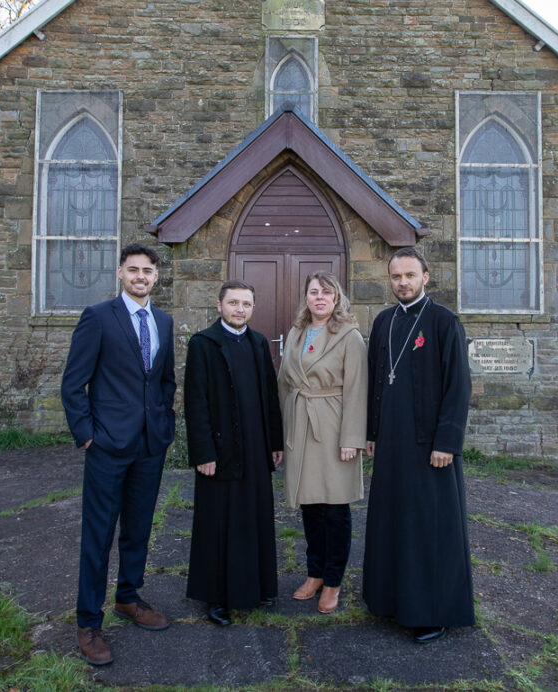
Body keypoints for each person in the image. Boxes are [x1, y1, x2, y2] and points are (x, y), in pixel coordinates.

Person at [60, 243, 176, 666]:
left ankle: (129, 596)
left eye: (147, 270)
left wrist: (164, 426)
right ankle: (88, 622)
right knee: (98, 535)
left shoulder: (163, 320)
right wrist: (88, 436)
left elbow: (164, 381)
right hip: (107, 446)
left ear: (156, 277)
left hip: (149, 446)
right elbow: (73, 383)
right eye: (133, 270)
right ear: (120, 274)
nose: (141, 276)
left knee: (139, 528)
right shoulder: (98, 318)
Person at [363, 247, 474, 643]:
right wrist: (372, 432)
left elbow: (458, 386)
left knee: (428, 528)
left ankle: (431, 611)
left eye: (410, 275)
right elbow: (377, 381)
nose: (403, 283)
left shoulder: (445, 322)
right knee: (394, 522)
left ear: (426, 277)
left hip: (430, 447)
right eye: (396, 277)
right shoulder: (383, 322)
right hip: (391, 444)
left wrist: (447, 441)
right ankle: (391, 600)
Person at [183, 280, 284, 626]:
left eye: (246, 304)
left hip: (255, 448)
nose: (239, 309)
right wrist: (202, 452)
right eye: (233, 303)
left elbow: (270, 397)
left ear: (252, 308)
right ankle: (217, 596)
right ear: (219, 305)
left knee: (254, 517)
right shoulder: (203, 344)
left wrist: (275, 443)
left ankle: (257, 587)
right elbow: (194, 403)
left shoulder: (257, 343)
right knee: (218, 523)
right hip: (219, 450)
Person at [278, 272, 367, 614]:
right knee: (310, 505)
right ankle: (314, 573)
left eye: (326, 293)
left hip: (332, 428)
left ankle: (333, 581)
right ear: (306, 297)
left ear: (336, 299)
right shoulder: (297, 332)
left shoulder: (349, 336)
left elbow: (357, 390)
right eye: (313, 292)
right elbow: (285, 382)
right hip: (301, 425)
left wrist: (352, 439)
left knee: (334, 508)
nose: (319, 298)